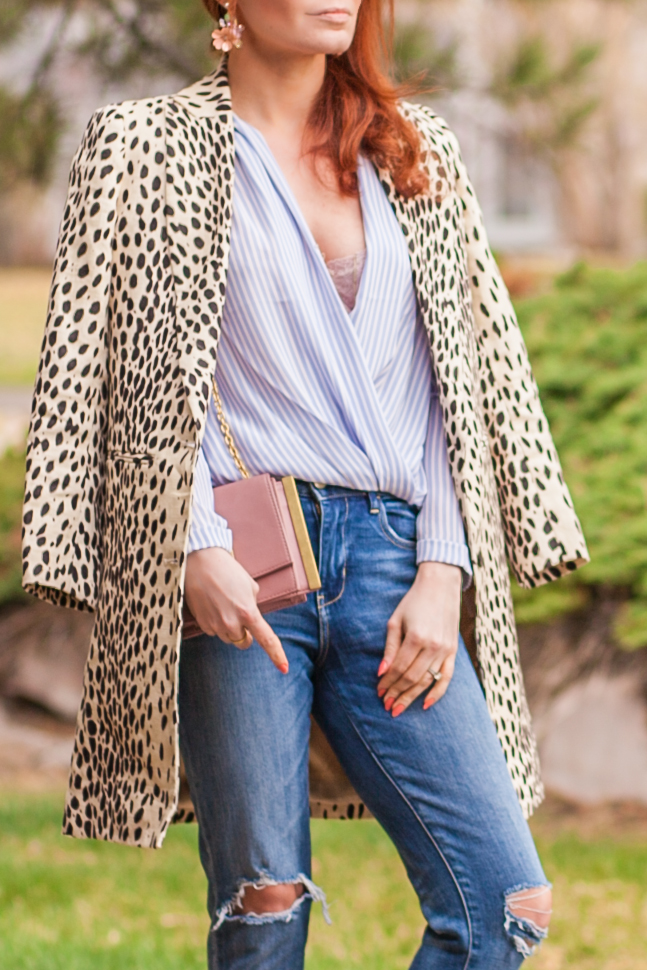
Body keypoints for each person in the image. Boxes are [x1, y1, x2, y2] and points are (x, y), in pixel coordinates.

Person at [21, 0, 590, 966]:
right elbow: (119, 372)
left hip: (395, 562)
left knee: (507, 901)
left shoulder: (414, 149)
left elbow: (459, 382)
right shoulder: (142, 147)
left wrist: (443, 569)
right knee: (262, 907)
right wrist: (192, 545)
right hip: (236, 561)